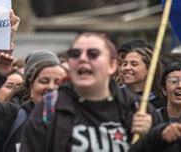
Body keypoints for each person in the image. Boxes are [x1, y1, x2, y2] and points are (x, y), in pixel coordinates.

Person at [20, 32, 160, 152]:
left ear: (112, 65)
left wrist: (150, 137)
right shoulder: (48, 108)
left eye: (93, 54)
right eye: (75, 54)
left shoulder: (137, 109)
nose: (82, 58)